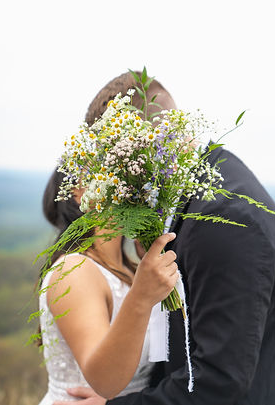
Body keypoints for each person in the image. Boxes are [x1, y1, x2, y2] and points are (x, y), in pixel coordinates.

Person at [53, 71, 275, 405]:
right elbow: (185, 350)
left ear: (146, 145)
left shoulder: (226, 218)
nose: (114, 184)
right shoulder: (197, 198)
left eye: (115, 164)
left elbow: (219, 381)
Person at [38, 168, 179, 404]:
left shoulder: (130, 269)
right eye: (107, 170)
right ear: (78, 192)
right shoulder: (74, 271)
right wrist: (141, 298)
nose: (127, 178)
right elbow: (105, 382)